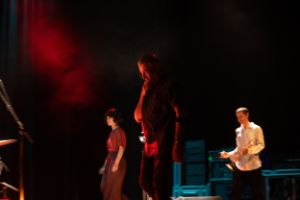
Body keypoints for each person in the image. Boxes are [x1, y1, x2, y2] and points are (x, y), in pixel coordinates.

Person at [134, 53, 183, 200]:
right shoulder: (148, 90)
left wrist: (177, 142)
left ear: (155, 68)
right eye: (141, 73)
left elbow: (179, 112)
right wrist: (142, 95)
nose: (143, 77)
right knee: (144, 181)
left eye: (145, 72)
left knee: (160, 184)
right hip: (149, 144)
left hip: (164, 141)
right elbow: (137, 117)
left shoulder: (168, 85)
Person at [220, 107, 265, 200]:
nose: (239, 119)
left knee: (258, 195)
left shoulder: (256, 128)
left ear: (247, 115)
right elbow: (238, 149)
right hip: (240, 167)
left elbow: (261, 145)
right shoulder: (238, 130)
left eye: (241, 116)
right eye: (237, 117)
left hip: (254, 167)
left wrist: (249, 150)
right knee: (234, 194)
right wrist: (228, 154)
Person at [99, 108, 128, 200]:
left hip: (117, 160)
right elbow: (110, 152)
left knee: (113, 190)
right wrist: (104, 166)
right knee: (104, 187)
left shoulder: (119, 131)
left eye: (109, 118)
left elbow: (121, 148)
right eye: (107, 118)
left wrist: (116, 163)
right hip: (111, 159)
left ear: (115, 119)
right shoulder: (112, 132)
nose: (107, 120)